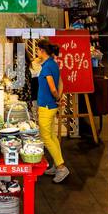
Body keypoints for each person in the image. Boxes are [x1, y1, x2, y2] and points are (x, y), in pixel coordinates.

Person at [35, 40, 69, 183]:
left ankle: (61, 167)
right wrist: (59, 97)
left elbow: (52, 87)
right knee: (52, 136)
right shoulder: (52, 64)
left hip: (46, 106)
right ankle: (57, 163)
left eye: (38, 50)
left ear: (42, 50)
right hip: (51, 105)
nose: (36, 52)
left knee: (45, 137)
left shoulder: (47, 67)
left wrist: (56, 97)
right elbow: (60, 82)